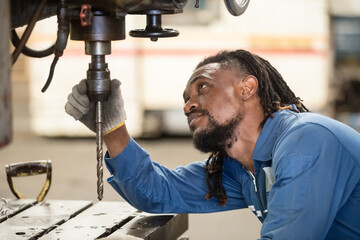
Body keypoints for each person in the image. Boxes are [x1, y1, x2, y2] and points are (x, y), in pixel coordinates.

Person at [65, 49, 360, 239]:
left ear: (247, 88)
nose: (188, 105)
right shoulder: (241, 168)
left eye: (202, 87)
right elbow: (158, 193)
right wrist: (114, 129)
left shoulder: (307, 140)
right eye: (186, 99)